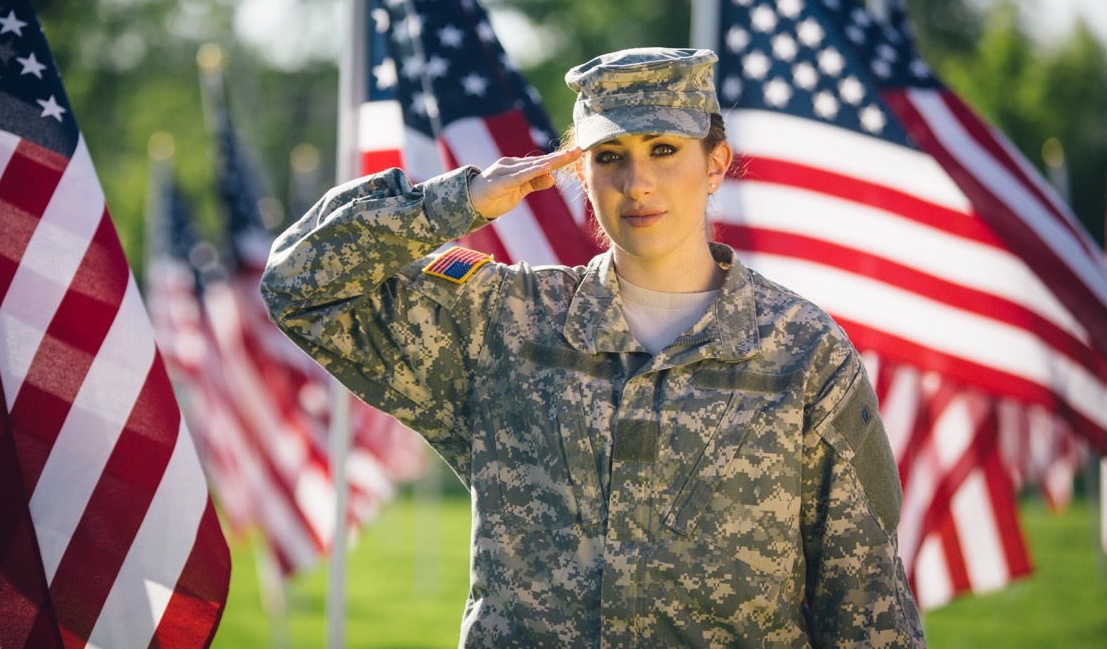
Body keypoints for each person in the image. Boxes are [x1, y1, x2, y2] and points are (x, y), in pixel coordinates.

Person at [262, 47, 926, 647]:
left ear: (715, 164)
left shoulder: (800, 350)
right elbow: (299, 283)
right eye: (610, 157)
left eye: (664, 149)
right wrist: (459, 201)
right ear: (581, 172)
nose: (637, 182)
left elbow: (864, 596)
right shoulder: (505, 323)